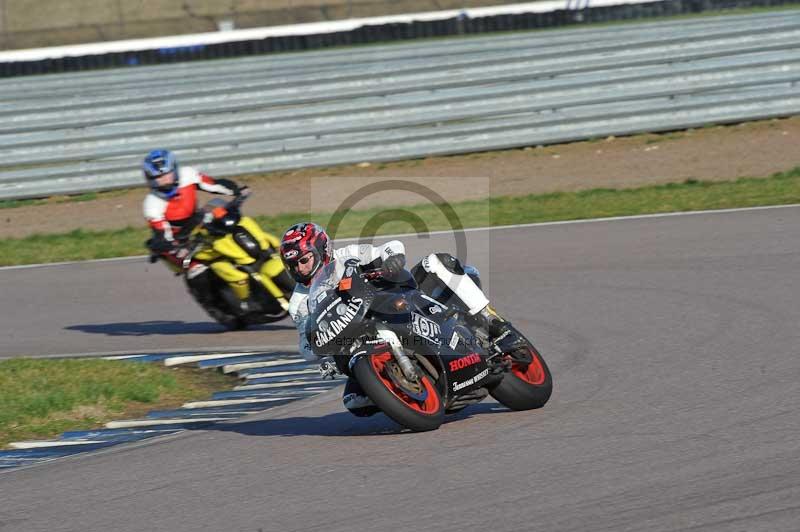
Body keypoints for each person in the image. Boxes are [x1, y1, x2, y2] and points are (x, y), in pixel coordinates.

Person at [279, 222, 525, 416]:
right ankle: (417, 387)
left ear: (322, 248)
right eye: (293, 265)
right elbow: (306, 343)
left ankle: (494, 323)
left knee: (436, 261)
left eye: (303, 260)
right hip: (359, 338)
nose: (299, 269)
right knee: (356, 403)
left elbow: (390, 246)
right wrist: (317, 351)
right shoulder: (299, 303)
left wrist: (392, 259)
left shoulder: (347, 256)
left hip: (399, 302)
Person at [142, 149, 277, 313]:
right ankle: (220, 307)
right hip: (179, 241)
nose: (164, 181)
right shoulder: (152, 204)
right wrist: (174, 247)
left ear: (175, 170)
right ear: (150, 180)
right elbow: (162, 232)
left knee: (238, 225)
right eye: (157, 178)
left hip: (198, 223)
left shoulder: (188, 175)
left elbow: (213, 184)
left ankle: (276, 254)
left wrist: (236, 191)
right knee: (196, 270)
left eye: (166, 175)